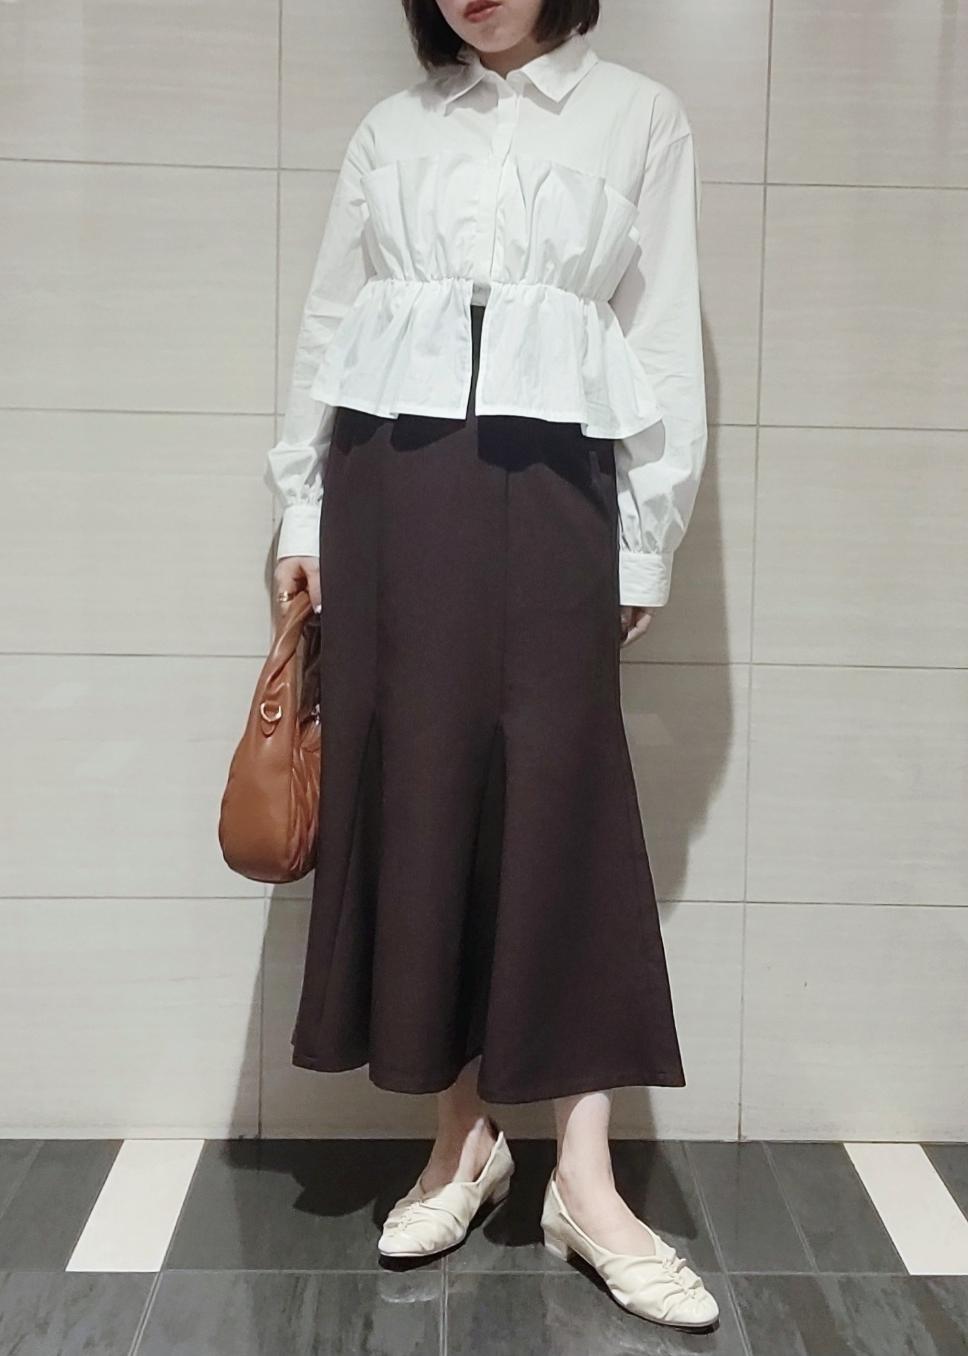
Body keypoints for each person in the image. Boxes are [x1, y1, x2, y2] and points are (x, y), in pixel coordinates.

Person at [266, 0, 716, 1330]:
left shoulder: (638, 117)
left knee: (567, 801)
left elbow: (661, 332)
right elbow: (331, 321)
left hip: (558, 478)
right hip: (391, 483)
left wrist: (646, 541)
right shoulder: (391, 128)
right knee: (422, 792)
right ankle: (461, 1140)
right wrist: (302, 512)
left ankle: (585, 1179)